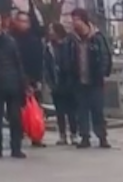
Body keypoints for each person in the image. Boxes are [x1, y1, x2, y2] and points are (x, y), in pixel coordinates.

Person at [66, 8, 113, 149]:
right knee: (81, 110)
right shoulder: (72, 40)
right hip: (78, 80)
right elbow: (67, 58)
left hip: (95, 80)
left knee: (97, 110)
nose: (75, 23)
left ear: (84, 20)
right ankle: (84, 136)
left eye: (77, 20)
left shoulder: (97, 37)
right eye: (73, 20)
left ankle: (102, 137)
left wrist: (103, 73)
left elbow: (105, 56)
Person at [10, 8, 46, 147]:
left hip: (32, 78)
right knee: (16, 111)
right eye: (20, 21)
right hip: (15, 79)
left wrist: (36, 80)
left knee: (35, 108)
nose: (22, 24)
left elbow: (38, 60)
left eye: (25, 21)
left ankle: (36, 136)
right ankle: (18, 136)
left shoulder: (34, 40)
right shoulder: (11, 39)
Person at [0, 10, 26, 159]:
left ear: (1, 23)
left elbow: (18, 64)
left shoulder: (10, 42)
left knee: (15, 119)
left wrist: (22, 85)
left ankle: (16, 148)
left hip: (12, 85)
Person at [45, 22, 78, 145]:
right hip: (56, 81)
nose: (50, 32)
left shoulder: (68, 44)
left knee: (71, 111)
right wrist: (50, 82)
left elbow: (72, 62)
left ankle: (74, 133)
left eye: (51, 30)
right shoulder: (49, 47)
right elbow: (47, 66)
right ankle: (62, 134)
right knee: (60, 111)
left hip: (68, 81)